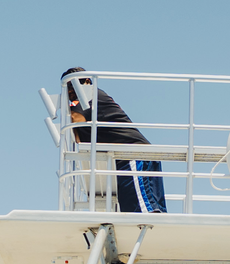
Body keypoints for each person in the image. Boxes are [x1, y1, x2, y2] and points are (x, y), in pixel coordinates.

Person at [62, 67, 166, 214]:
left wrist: (68, 108)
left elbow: (76, 119)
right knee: (146, 211)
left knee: (142, 213)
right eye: (68, 91)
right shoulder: (93, 99)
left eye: (73, 87)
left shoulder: (88, 94)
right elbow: (80, 140)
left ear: (86, 81)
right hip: (137, 155)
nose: (71, 94)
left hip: (133, 155)